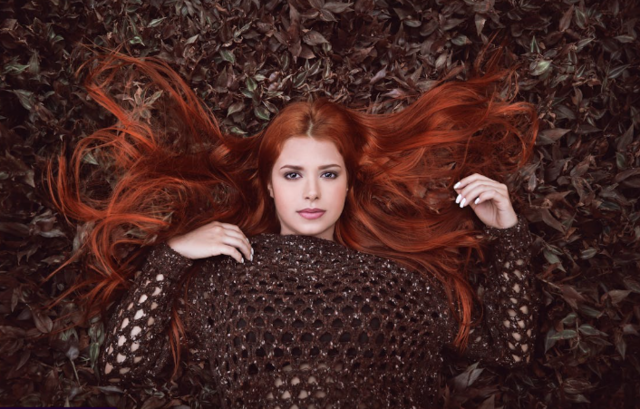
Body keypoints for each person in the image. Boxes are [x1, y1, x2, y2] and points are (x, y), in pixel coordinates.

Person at [44, 45, 540, 408]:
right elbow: (120, 366)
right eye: (293, 175)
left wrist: (507, 232)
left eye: (329, 174)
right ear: (268, 184)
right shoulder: (223, 276)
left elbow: (510, 351)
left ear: (349, 183)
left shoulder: (402, 280)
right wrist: (171, 256)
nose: (311, 193)